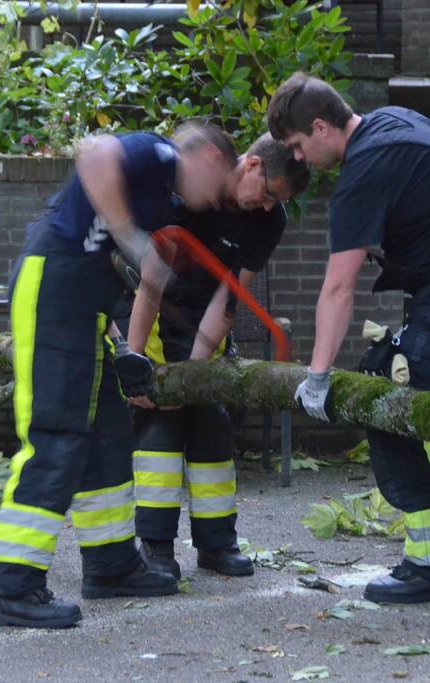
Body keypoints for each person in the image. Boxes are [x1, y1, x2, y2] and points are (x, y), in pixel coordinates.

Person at [267, 72, 430, 604]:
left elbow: (338, 288)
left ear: (321, 128)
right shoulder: (395, 123)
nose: (297, 159)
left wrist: (317, 378)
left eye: (297, 146)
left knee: (390, 408)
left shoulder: (364, 170)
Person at [0, 124, 237, 629]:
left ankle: (111, 562)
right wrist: (130, 237)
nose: (215, 201)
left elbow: (102, 261)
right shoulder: (161, 155)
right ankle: (13, 586)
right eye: (221, 183)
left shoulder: (159, 192)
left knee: (105, 435)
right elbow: (94, 153)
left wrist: (121, 346)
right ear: (209, 158)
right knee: (56, 437)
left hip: (83, 307)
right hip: (53, 288)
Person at [122, 134, 310, 579]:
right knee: (160, 429)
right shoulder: (189, 191)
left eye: (277, 201)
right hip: (153, 315)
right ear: (252, 166)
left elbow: (230, 298)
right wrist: (132, 361)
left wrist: (199, 371)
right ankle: (156, 547)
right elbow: (150, 284)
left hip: (205, 322)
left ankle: (217, 543)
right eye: (267, 193)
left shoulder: (269, 221)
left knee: (211, 426)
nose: (267, 207)